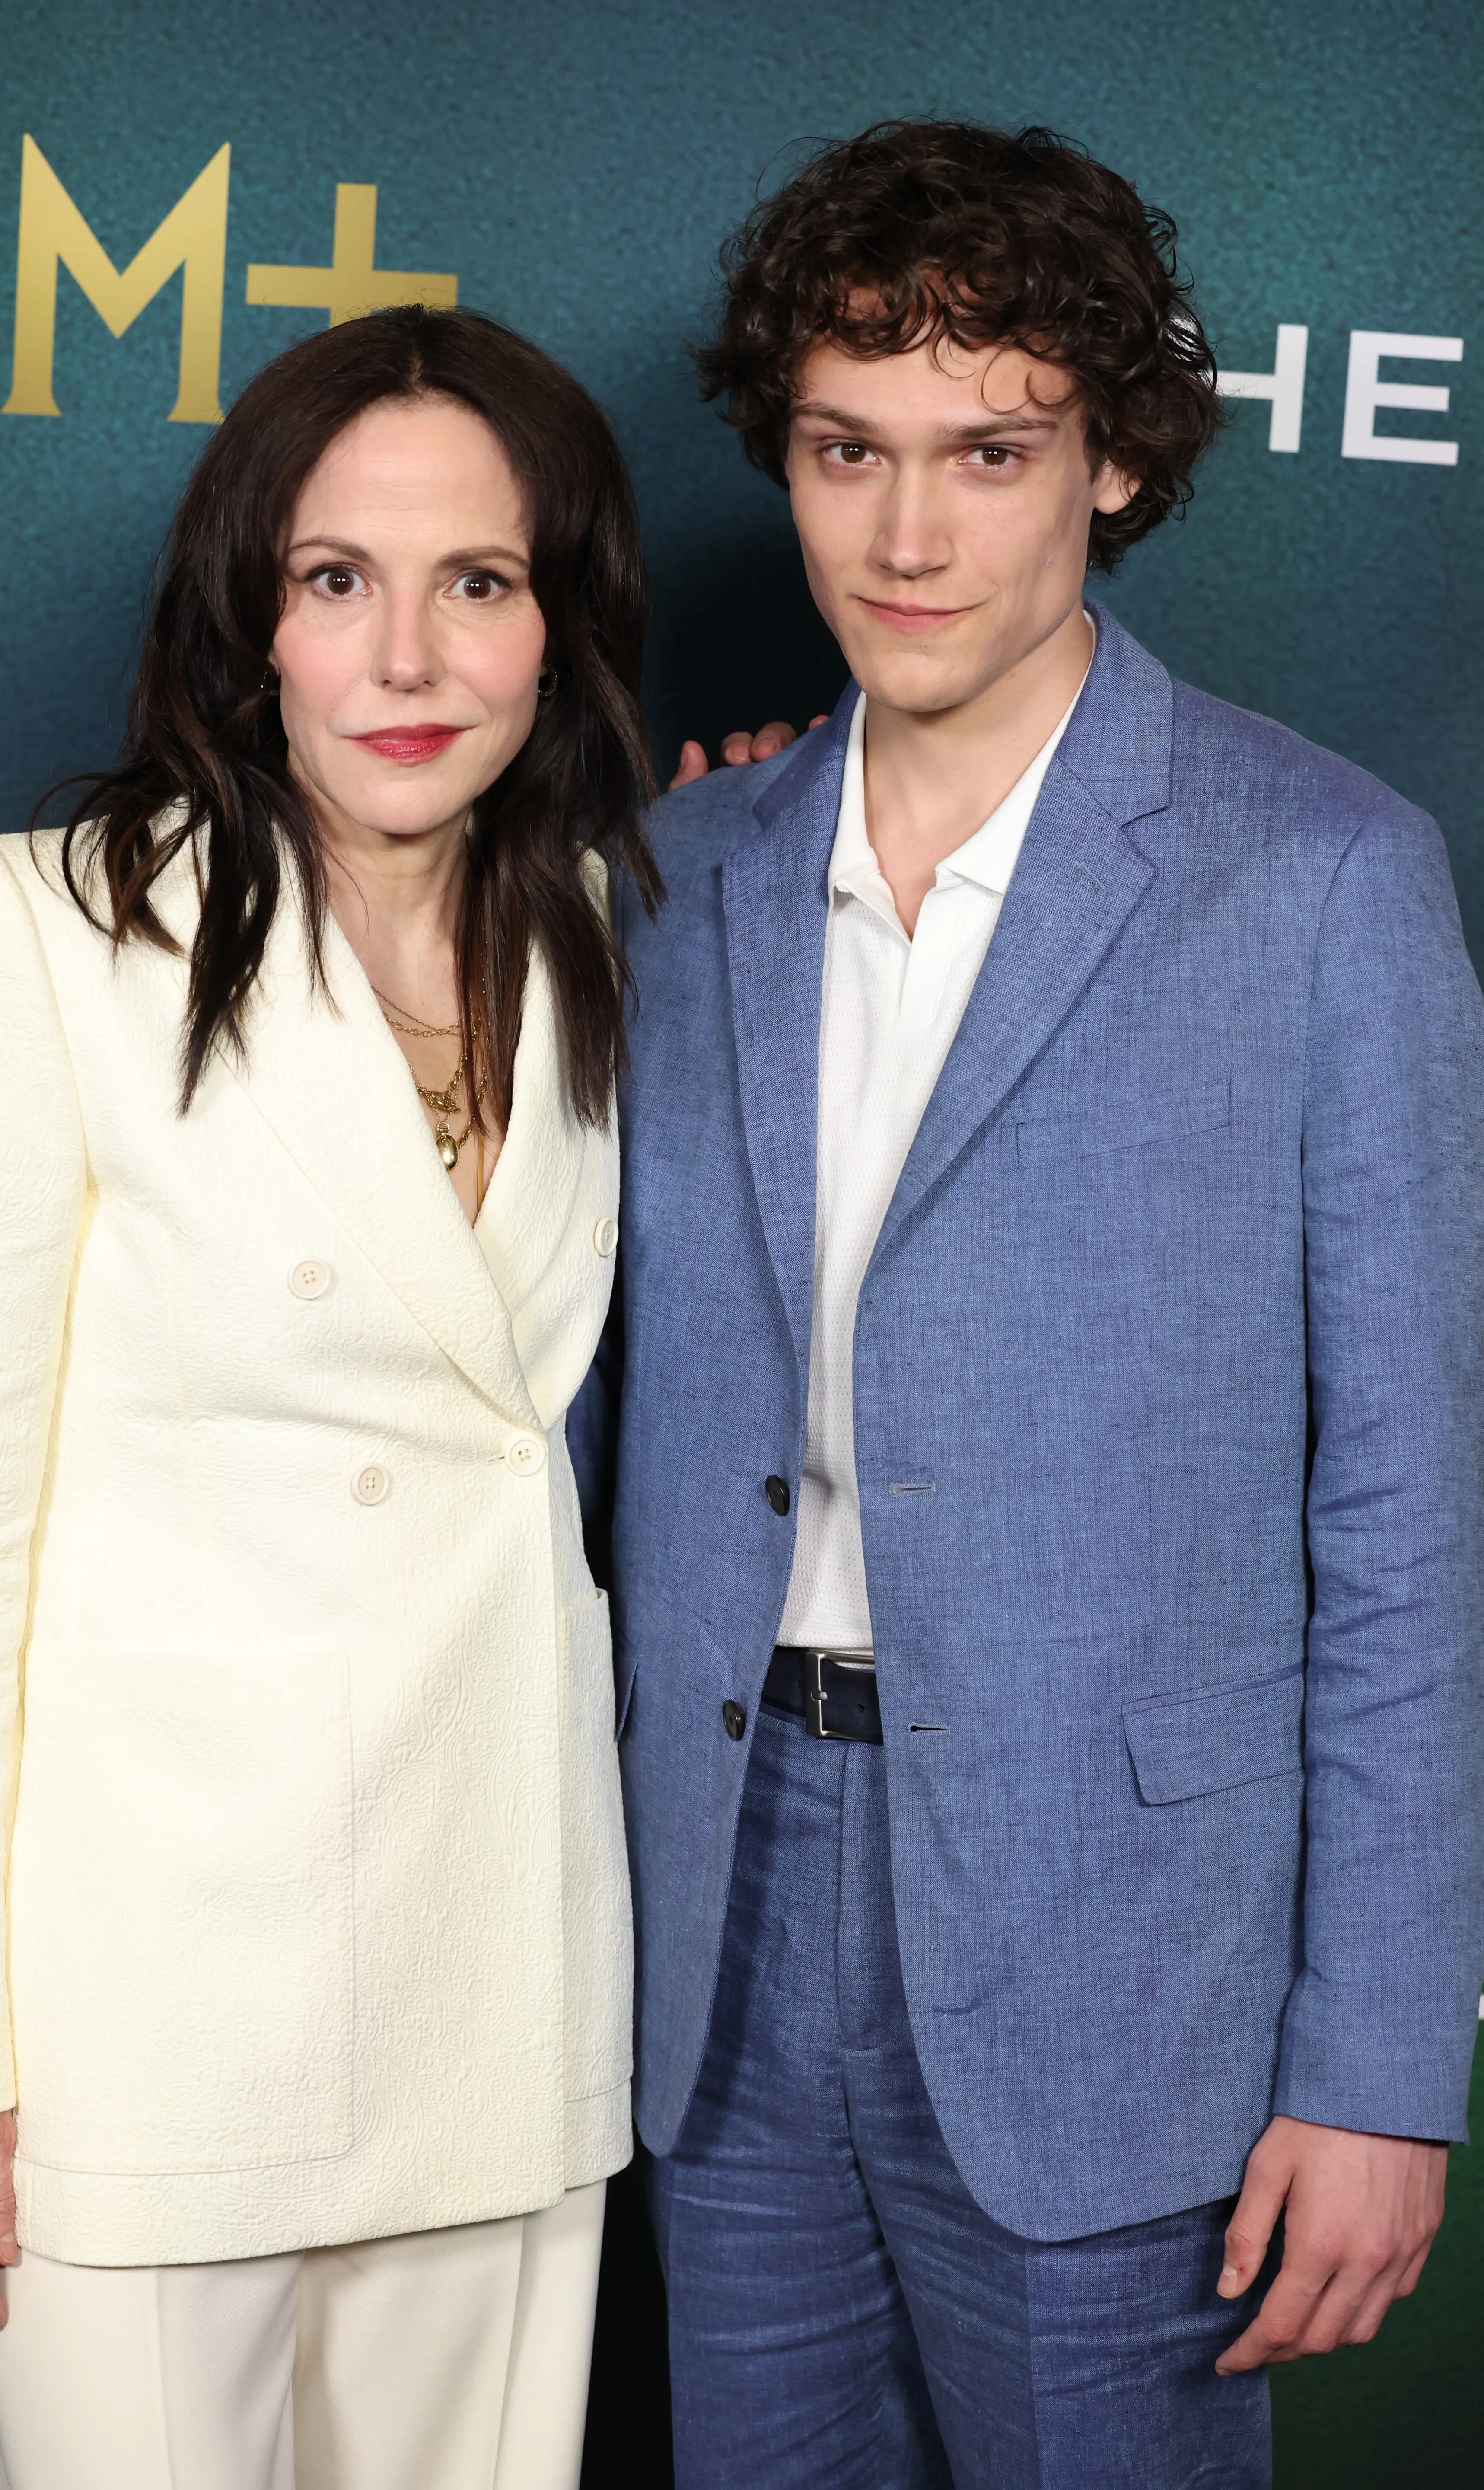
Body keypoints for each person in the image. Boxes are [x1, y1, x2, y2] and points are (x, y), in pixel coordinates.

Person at [571, 119, 1484, 2488]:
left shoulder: (1327, 882)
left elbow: (1409, 1515)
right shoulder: (681, 874)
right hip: (720, 1914)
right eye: (844, 453)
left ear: (1112, 465)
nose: (905, 536)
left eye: (990, 455)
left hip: (1128, 1949)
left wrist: (1377, 2066)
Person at [0, 303, 661, 2490]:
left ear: (557, 624)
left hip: (499, 1976)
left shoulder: (598, 929)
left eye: (478, 584)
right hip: (149, 2012)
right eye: (337, 581)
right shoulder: (44, 933)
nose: (408, 658)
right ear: (251, 619)